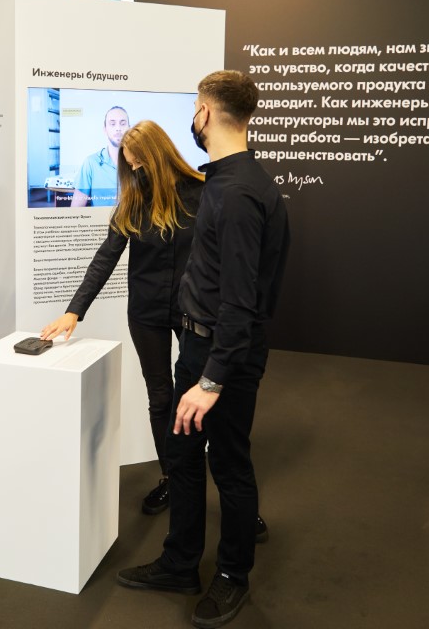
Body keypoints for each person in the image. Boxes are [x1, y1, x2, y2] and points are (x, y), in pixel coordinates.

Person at [116, 71, 290, 629]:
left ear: (206, 114)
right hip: (198, 346)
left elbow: (242, 301)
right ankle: (179, 563)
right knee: (185, 457)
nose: (194, 117)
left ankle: (233, 575)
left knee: (230, 464)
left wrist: (210, 381)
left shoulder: (238, 193)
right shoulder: (223, 181)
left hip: (223, 358)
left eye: (195, 107)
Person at [42, 119, 201, 513]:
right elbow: (106, 257)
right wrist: (74, 310)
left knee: (197, 394)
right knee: (160, 395)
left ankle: (213, 482)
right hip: (146, 313)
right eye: (130, 166)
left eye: (139, 164)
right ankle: (172, 477)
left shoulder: (201, 191)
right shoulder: (133, 202)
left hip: (193, 311)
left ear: (158, 156)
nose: (135, 172)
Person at [70, 105, 130, 208]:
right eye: (112, 124)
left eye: (123, 124)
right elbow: (75, 209)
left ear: (129, 128)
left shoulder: (140, 163)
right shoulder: (90, 163)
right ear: (105, 130)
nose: (118, 128)